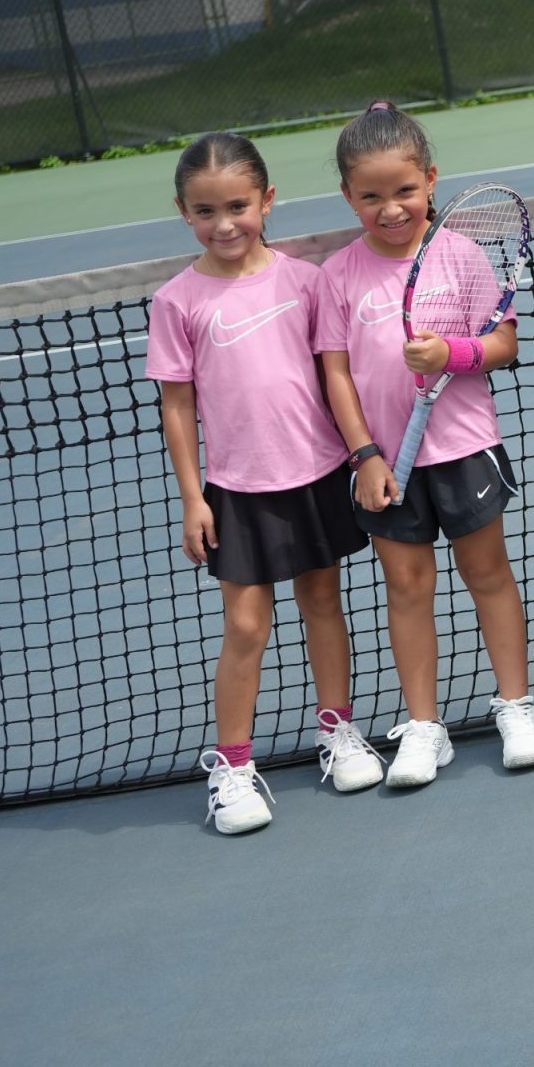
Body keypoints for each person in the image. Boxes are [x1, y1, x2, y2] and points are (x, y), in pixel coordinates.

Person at [316, 104, 534, 787]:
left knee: (488, 574)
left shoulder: (461, 254)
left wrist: (452, 352)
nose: (391, 208)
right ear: (348, 197)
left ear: (430, 180)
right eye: (371, 196)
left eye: (405, 190)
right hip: (385, 464)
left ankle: (517, 706)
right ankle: (425, 726)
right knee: (406, 586)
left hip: (465, 447)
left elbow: (503, 343)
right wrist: (364, 456)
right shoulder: (338, 275)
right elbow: (336, 374)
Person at [148, 133, 376, 833]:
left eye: (238, 206)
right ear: (183, 211)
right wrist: (193, 498)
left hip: (316, 473)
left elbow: (337, 374)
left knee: (322, 602)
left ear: (267, 200)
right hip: (236, 490)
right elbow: (177, 406)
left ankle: (337, 731)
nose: (224, 224)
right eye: (205, 211)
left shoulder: (305, 281)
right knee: (246, 625)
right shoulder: (177, 301)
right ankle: (233, 768)